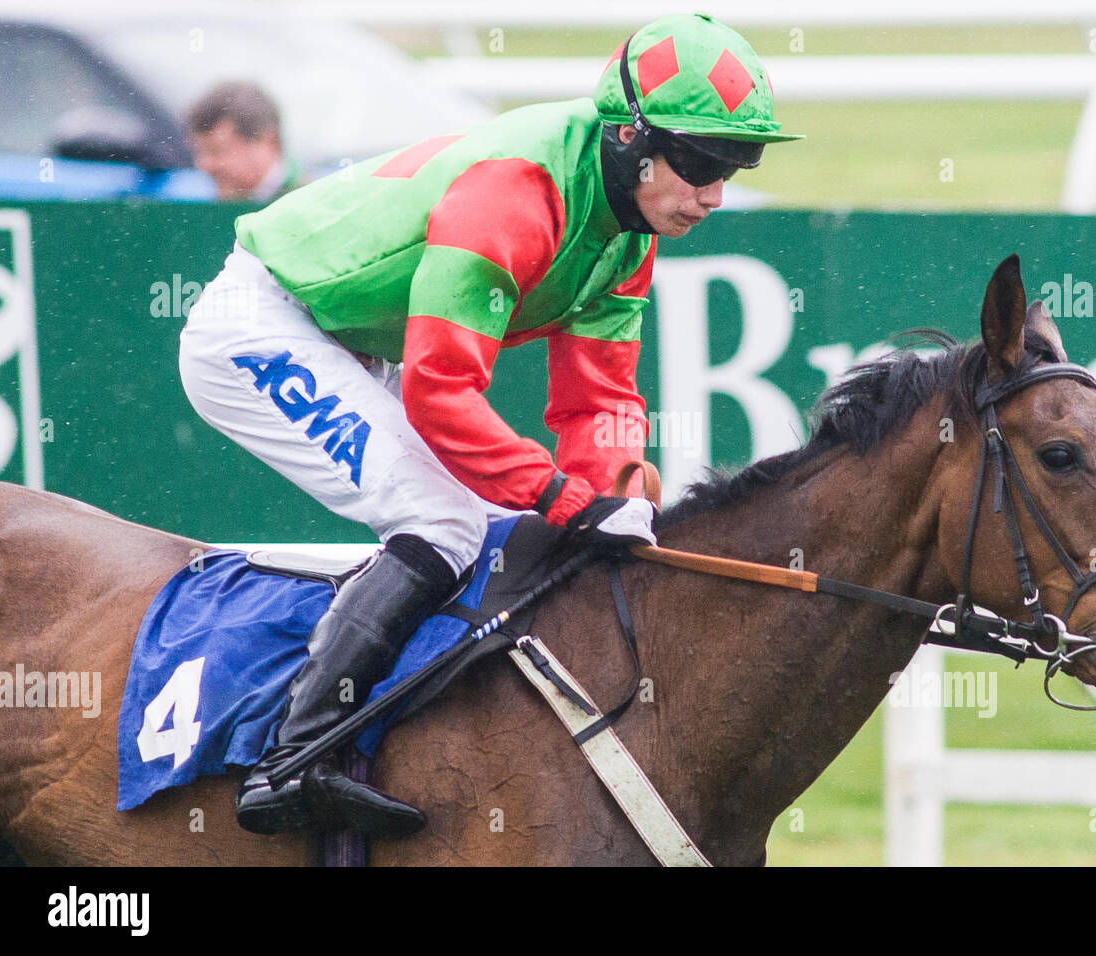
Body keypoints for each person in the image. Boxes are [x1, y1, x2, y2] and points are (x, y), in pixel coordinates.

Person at [177, 13, 800, 838]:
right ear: (628, 139)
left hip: (359, 342)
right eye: (702, 160)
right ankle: (292, 764)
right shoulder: (515, 194)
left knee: (506, 527)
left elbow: (599, 401)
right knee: (443, 519)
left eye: (738, 162)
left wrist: (616, 496)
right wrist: (566, 500)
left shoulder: (629, 229)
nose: (716, 192)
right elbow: (442, 397)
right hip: (264, 325)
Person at [186, 81, 302, 201]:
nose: (204, 165)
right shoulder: (209, 203)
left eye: (217, 151)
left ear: (269, 143)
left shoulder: (306, 206)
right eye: (200, 152)